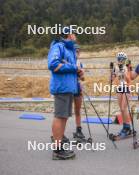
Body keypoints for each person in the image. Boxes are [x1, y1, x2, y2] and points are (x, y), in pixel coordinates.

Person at [48, 27, 84, 160]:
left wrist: (78, 72)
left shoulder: (70, 50)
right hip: (62, 87)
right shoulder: (58, 46)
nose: (76, 36)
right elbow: (53, 64)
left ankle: (60, 145)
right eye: (74, 33)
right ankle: (57, 150)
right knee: (59, 116)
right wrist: (73, 67)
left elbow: (69, 68)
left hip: (69, 88)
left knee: (64, 117)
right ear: (68, 35)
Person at [112, 52, 133, 137]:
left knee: (124, 108)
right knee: (121, 108)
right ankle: (125, 127)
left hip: (126, 88)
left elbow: (129, 80)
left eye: (122, 59)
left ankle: (128, 127)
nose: (120, 60)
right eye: (119, 59)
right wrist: (112, 71)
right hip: (119, 88)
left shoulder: (127, 67)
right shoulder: (116, 67)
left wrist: (122, 72)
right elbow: (112, 79)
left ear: (124, 60)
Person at [72, 44, 86, 141]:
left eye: (78, 51)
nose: (77, 53)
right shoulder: (68, 61)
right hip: (68, 87)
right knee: (65, 111)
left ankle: (79, 129)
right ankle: (60, 133)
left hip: (77, 87)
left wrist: (80, 74)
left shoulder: (80, 63)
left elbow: (83, 78)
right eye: (75, 51)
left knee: (77, 110)